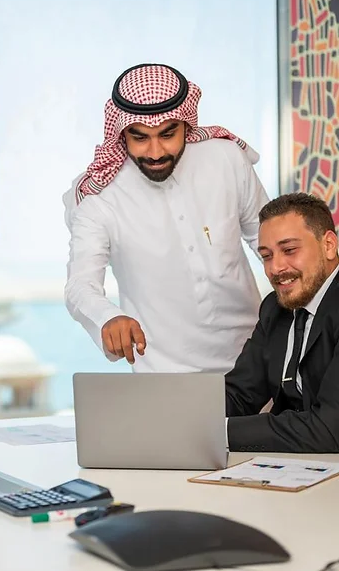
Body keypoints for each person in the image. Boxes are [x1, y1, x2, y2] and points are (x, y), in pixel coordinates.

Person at [63, 63, 269, 373]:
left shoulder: (225, 159)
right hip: (164, 375)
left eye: (168, 134)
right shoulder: (99, 198)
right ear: (122, 133)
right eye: (140, 137)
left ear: (186, 124)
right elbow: (80, 285)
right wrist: (108, 317)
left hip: (253, 362)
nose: (156, 152)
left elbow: (268, 242)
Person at [226, 193, 339, 452]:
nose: (275, 268)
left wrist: (221, 431)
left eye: (289, 250)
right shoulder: (274, 308)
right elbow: (240, 394)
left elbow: (330, 429)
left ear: (329, 245)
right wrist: (185, 419)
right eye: (267, 255)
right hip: (291, 465)